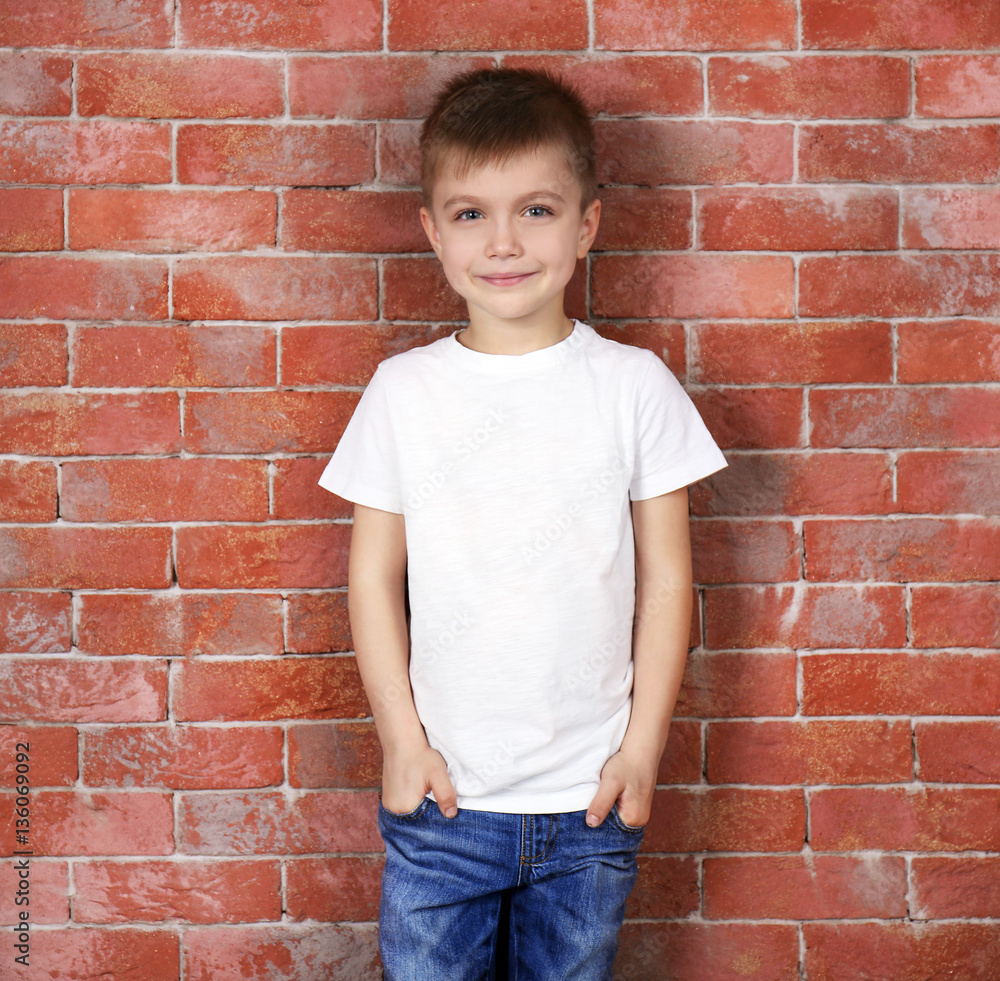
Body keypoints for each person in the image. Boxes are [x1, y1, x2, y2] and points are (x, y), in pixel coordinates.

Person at [319, 67, 727, 980]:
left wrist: (642, 751)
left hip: (590, 804)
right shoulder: (405, 393)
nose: (503, 242)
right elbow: (373, 577)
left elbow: (668, 581)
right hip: (444, 805)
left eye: (536, 211)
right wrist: (401, 742)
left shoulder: (633, 387)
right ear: (431, 231)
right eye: (470, 214)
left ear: (586, 222)